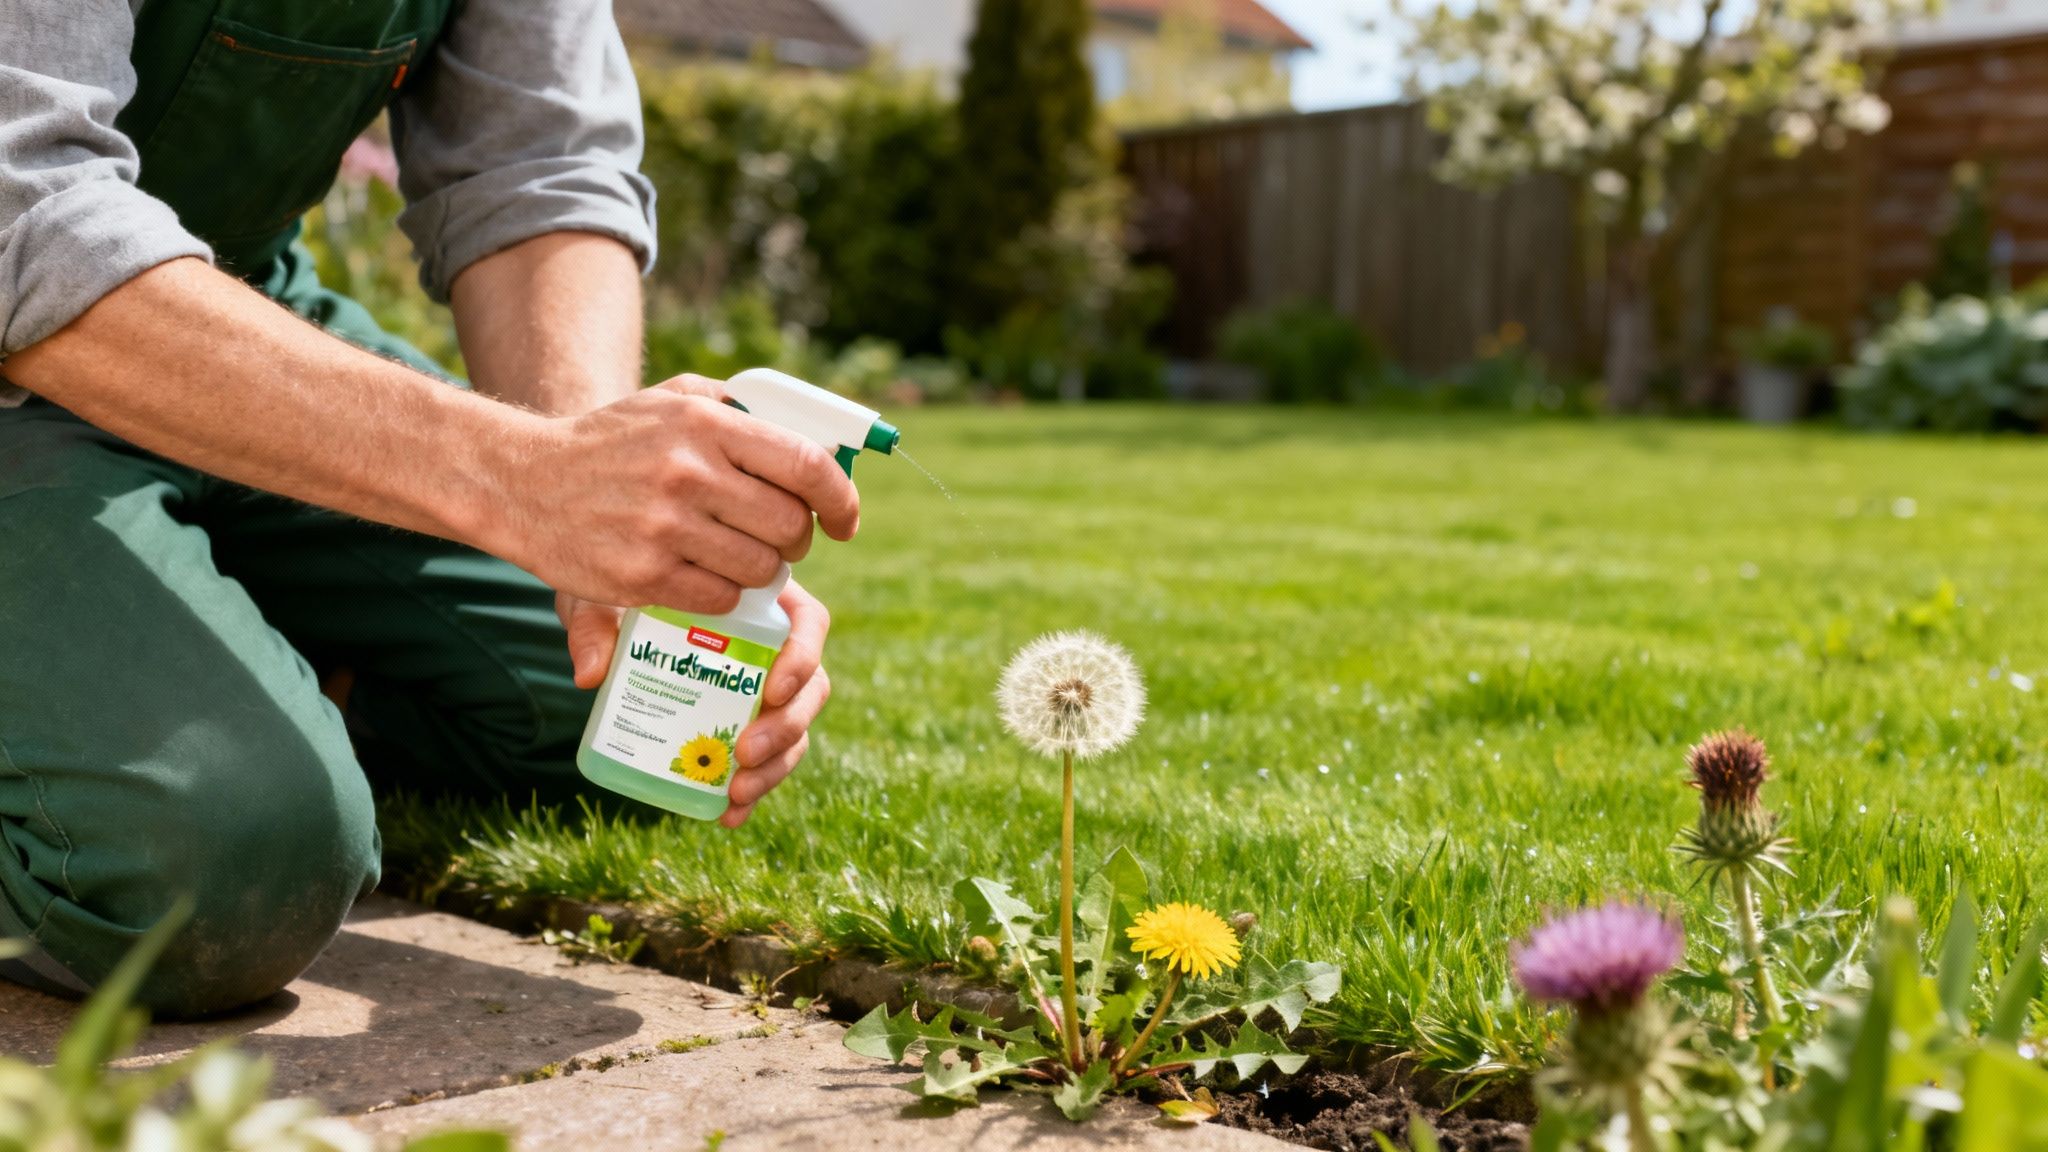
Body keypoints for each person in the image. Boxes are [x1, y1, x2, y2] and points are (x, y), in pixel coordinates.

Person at [0, 0, 853, 1016]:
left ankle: (203, 671)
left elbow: (537, 165)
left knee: (637, 713)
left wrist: (600, 531)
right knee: (218, 865)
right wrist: (521, 478)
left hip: (242, 326)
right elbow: (24, 208)